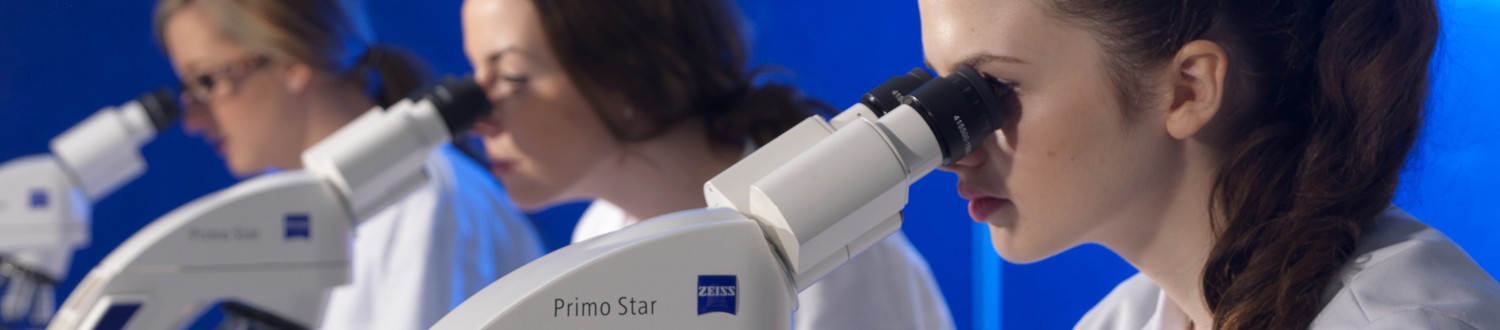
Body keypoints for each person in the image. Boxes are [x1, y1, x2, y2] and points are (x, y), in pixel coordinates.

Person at [919, 0, 1500, 328]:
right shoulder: (1123, 320)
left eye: (990, 89)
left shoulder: (1407, 321)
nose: (955, 151)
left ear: (1187, 90)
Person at [459, 0, 955, 328]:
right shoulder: (601, 232)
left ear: (630, 73)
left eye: (512, 77)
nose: (477, 120)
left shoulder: (829, 249)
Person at [154, 0, 543, 328]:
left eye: (206, 81)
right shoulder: (279, 209)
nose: (193, 120)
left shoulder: (426, 199)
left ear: (290, 60)